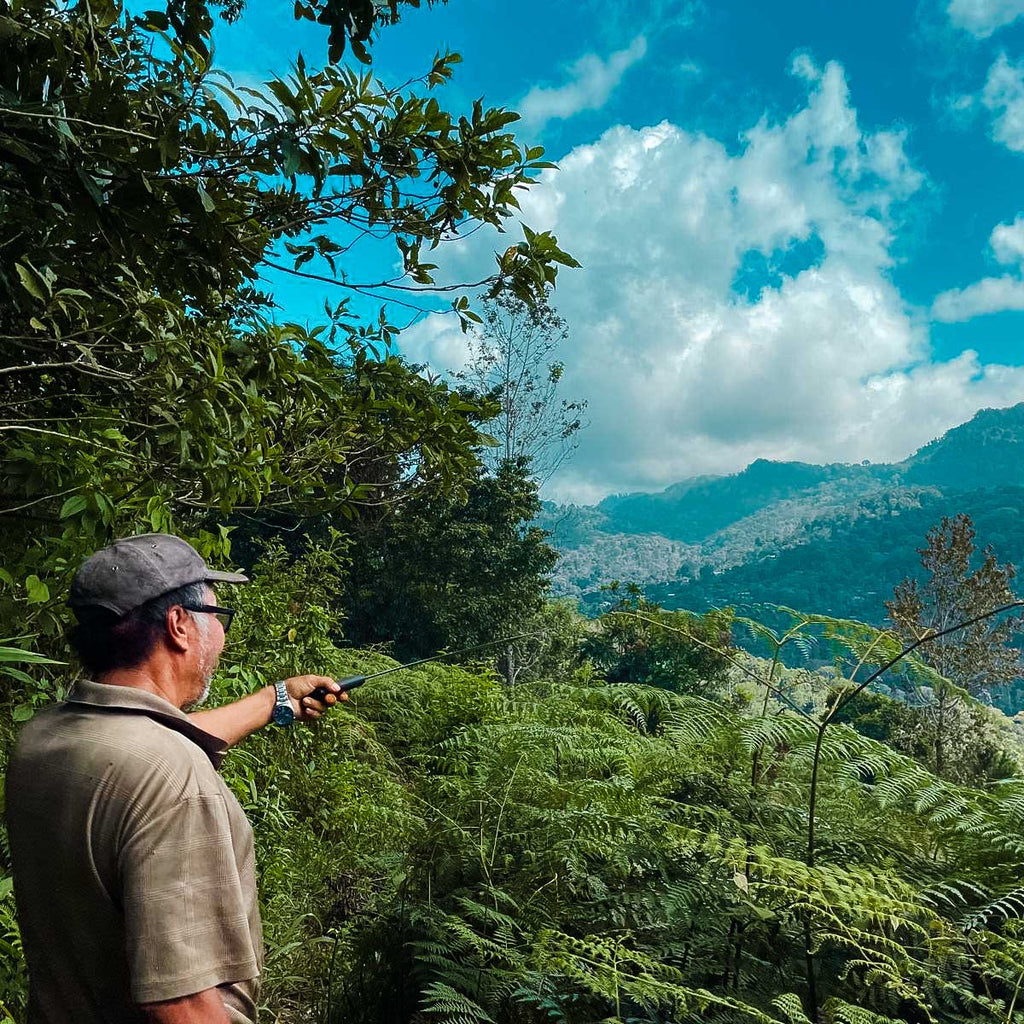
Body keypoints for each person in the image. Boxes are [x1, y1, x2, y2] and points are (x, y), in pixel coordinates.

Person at [4, 533, 345, 1024]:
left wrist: (279, 701)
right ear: (180, 626)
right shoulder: (174, 780)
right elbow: (181, 1002)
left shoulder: (44, 738)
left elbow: (151, 743)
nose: (221, 636)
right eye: (216, 617)